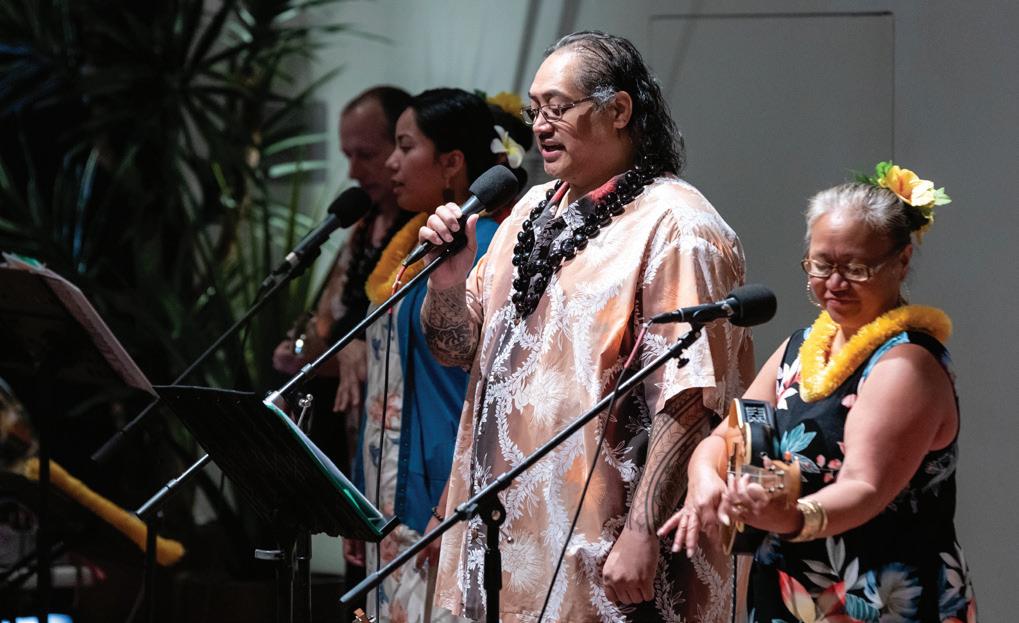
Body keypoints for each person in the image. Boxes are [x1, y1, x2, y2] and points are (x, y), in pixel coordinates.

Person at [419, 32, 754, 622]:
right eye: (534, 110)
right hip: (504, 543)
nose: (540, 126)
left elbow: (689, 397)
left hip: (605, 547)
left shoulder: (678, 226)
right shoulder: (530, 210)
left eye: (558, 107)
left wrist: (641, 531)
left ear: (619, 110)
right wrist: (447, 281)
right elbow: (455, 348)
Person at [659, 163, 977, 622]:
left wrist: (790, 518)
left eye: (856, 268)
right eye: (822, 265)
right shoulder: (801, 347)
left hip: (877, 598)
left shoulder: (906, 365)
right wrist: (703, 480)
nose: (835, 284)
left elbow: (864, 486)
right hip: (791, 593)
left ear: (902, 261)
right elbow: (726, 435)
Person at [352, 87, 526, 623]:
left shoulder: (488, 247)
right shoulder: (414, 245)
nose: (391, 162)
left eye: (406, 147)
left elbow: (493, 388)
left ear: (452, 163)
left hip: (438, 498)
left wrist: (448, 502)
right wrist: (358, 491)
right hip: (388, 493)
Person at [271, 85, 412, 474]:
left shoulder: (424, 230)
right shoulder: (364, 224)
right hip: (329, 422)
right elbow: (326, 320)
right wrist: (302, 349)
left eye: (366, 155)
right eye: (348, 156)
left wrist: (343, 353)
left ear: (401, 148)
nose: (353, 172)